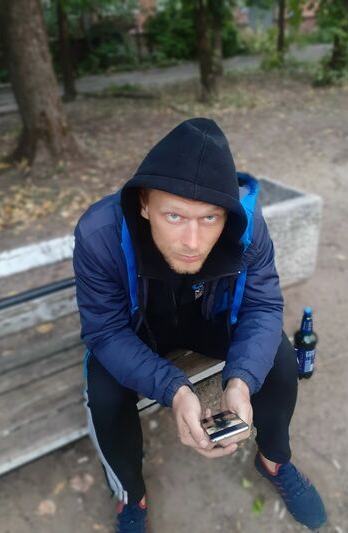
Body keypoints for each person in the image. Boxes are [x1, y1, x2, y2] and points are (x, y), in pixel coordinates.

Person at [73, 118, 327, 532]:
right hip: (138, 331)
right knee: (104, 393)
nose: (192, 241)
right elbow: (105, 331)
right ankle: (131, 495)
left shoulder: (247, 225)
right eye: (174, 215)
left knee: (279, 355)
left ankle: (274, 460)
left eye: (210, 218)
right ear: (143, 204)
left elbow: (263, 306)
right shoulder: (99, 234)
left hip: (207, 318)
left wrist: (240, 383)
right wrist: (175, 390)